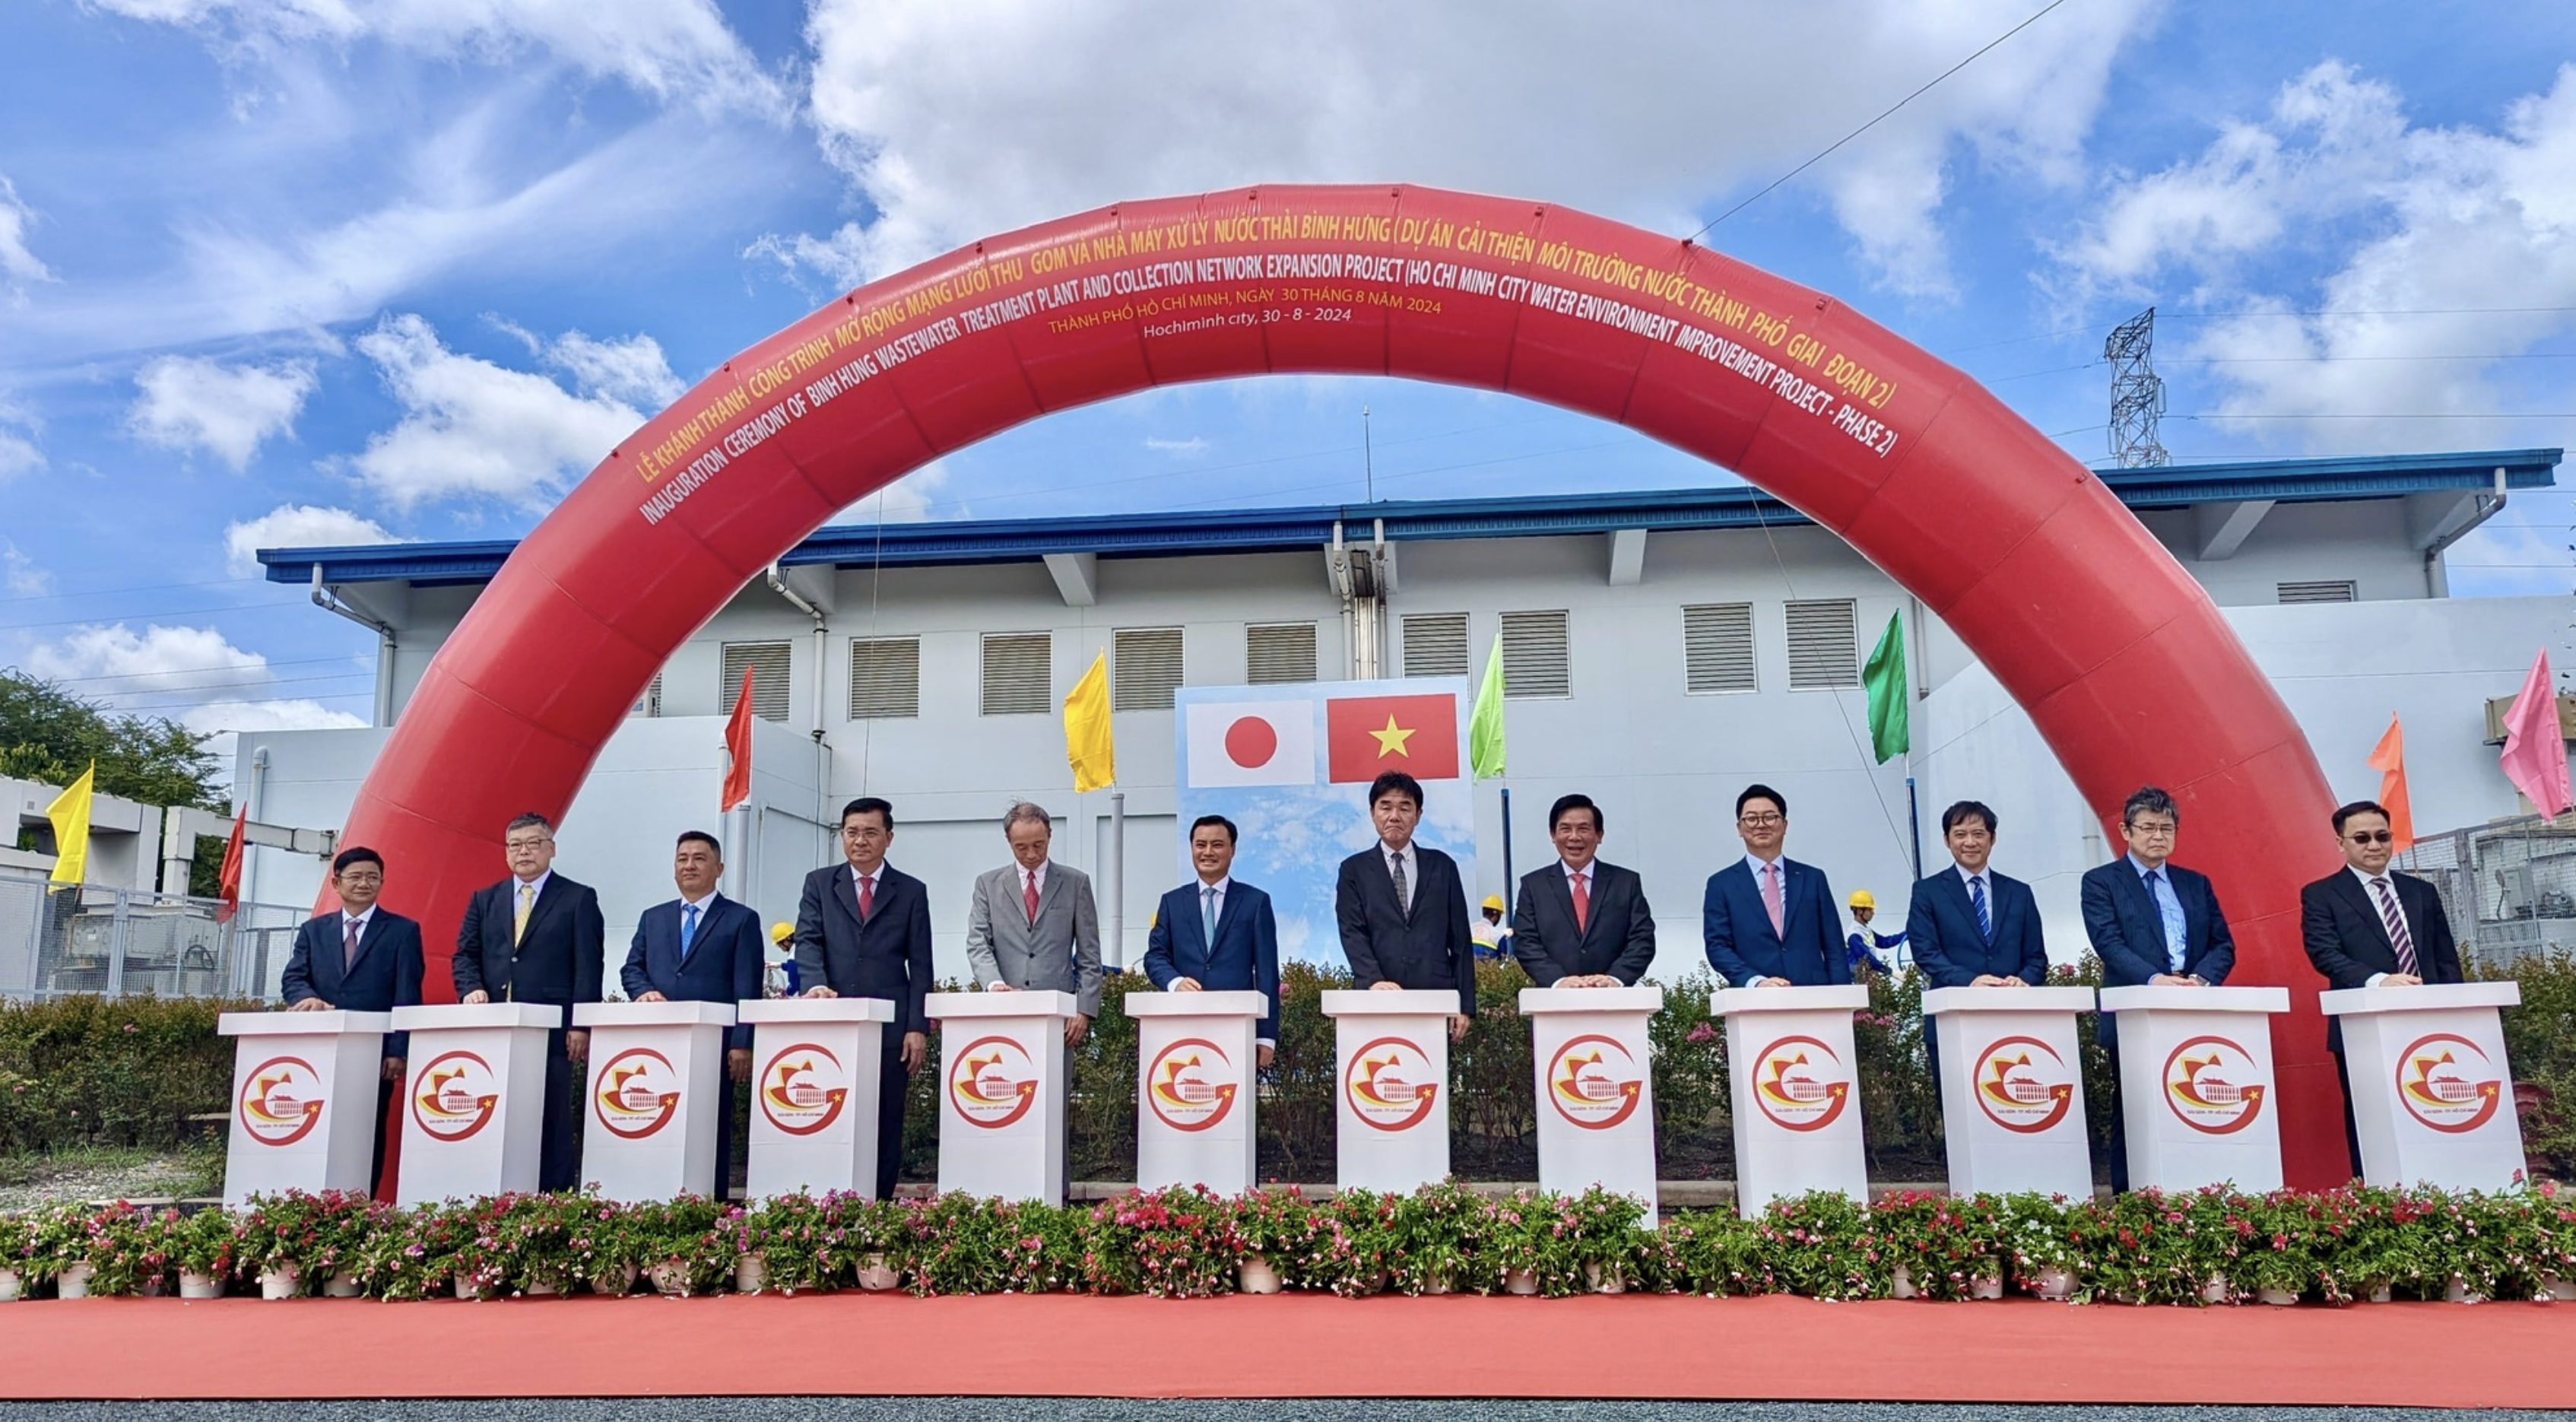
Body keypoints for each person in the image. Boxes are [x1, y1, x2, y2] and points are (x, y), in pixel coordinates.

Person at [2080, 785, 2235, 1191]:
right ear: (2125, 831)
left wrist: (2200, 979)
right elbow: (2109, 942)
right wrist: (2154, 980)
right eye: (2147, 827)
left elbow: (2223, 943)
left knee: (2193, 1100)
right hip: (2135, 1009)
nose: (2158, 836)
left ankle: (2193, 1189)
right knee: (2134, 1109)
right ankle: (2131, 1199)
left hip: (2192, 1009)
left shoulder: (2194, 883)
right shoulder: (2101, 882)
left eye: (2167, 828)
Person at [2301, 798, 2463, 1179]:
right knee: (2370, 1118)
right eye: (2362, 838)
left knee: (2436, 1111)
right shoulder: (2322, 895)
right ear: (2341, 843)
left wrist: (2456, 1008)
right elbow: (2324, 954)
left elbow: (2445, 959)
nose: (2374, 845)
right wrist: (2379, 982)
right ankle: (2372, 1194)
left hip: (2430, 1028)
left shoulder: (2420, 892)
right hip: (2364, 1027)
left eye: (2382, 836)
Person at [454, 812, 604, 1193]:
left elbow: (589, 964)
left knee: (551, 1114)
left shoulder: (578, 898)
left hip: (553, 1030)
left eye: (533, 844)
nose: (524, 852)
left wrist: (581, 1024)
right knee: (495, 1111)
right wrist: (471, 987)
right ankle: (494, 1192)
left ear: (551, 849)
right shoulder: (484, 899)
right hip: (495, 1029)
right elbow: (464, 954)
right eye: (515, 845)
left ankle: (554, 1196)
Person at [792, 796, 934, 1199]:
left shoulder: (910, 891)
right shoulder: (819, 883)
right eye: (852, 832)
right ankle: (830, 1200)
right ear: (841, 836)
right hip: (833, 1022)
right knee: (831, 1114)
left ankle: (880, 1203)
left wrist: (916, 1026)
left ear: (889, 838)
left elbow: (921, 964)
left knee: (885, 1118)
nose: (860, 841)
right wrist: (815, 984)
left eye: (870, 833)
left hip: (890, 1028)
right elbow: (808, 940)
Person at [620, 830, 763, 1200]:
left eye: (699, 858)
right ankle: (658, 1198)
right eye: (682, 858)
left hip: (714, 1045)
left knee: (709, 1125)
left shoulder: (741, 920)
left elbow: (747, 985)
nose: (689, 865)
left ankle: (710, 1201)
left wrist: (742, 1043)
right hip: (659, 1044)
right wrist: (644, 991)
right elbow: (631, 968)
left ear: (719, 868)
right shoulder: (653, 918)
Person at [279, 845, 424, 1193]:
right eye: (356, 877)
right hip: (319, 1053)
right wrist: (307, 999)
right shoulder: (314, 931)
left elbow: (408, 993)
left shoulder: (403, 931)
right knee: (318, 1126)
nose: (364, 883)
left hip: (374, 1055)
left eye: (372, 877)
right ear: (336, 883)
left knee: (368, 1130)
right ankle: (313, 1198)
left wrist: (398, 1050)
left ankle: (364, 1204)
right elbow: (292, 979)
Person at [1905, 801, 2048, 1091]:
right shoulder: (1927, 892)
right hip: (1953, 1019)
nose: (1970, 842)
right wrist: (1970, 981)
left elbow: (2037, 957)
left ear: (1992, 838)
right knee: (1958, 1110)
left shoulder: (2019, 893)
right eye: (1960, 834)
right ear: (1947, 840)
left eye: (1978, 834)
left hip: (2015, 1021)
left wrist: (2024, 981)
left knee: (2015, 1106)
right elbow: (1925, 951)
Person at [1334, 770, 1477, 1040]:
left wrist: (1464, 1005)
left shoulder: (1443, 866)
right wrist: (1374, 981)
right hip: (1376, 1000)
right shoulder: (1354, 870)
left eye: (1405, 807)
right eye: (1385, 807)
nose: (1394, 816)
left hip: (1435, 999)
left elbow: (1460, 940)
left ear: (1418, 815)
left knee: (1429, 1080)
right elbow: (1352, 932)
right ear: (1372, 813)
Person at [1142, 814, 1282, 1065]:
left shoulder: (1255, 902)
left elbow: (1267, 973)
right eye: (1200, 844)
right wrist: (1174, 982)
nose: (1208, 852)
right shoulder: (1172, 902)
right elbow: (1155, 956)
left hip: (1237, 1026)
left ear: (1232, 850)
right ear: (1192, 848)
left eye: (1217, 845)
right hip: (1180, 1025)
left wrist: (1266, 1037)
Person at [963, 802, 1103, 1045]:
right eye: (1021, 847)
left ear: (1050, 835)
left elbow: (1089, 953)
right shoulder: (988, 884)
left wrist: (1083, 1009)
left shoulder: (1075, 883)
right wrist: (994, 984)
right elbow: (977, 942)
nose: (1031, 854)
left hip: (1059, 1013)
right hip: (1004, 1008)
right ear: (1008, 841)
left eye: (1039, 845)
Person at [1702, 784, 1846, 988]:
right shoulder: (1721, 884)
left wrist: (1842, 998)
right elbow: (1717, 946)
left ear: (1785, 825)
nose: (1761, 825)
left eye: (1770, 817)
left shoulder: (1813, 879)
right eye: (1751, 819)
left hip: (1814, 998)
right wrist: (1756, 981)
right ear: (1740, 828)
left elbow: (1834, 946)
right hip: (1752, 1001)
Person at [1510, 792, 1655, 988]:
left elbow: (1642, 939)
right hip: (1553, 1003)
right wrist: (1558, 980)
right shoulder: (1533, 886)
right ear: (1553, 835)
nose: (1574, 837)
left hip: (1615, 1003)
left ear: (1599, 835)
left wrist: (1615, 978)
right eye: (1565, 829)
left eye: (1583, 829)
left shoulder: (1626, 883)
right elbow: (1525, 942)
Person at [1843, 890, 1904, 977]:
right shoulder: (1854, 935)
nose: (1873, 913)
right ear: (1860, 911)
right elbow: (1866, 958)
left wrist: (1908, 933)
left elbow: (1885, 942)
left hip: (1867, 976)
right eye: (1870, 910)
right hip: (1858, 979)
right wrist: (1891, 972)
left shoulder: (1865, 930)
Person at [1470, 896, 1514, 962]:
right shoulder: (1499, 936)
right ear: (1496, 916)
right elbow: (1504, 959)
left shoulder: (1470, 929)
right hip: (1486, 970)